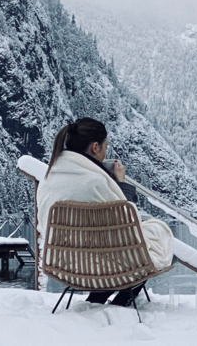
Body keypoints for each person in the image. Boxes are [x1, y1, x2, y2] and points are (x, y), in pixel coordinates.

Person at [36, 117, 174, 307]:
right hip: (103, 267)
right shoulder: (97, 183)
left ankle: (97, 299)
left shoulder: (48, 178)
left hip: (64, 264)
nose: (105, 151)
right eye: (105, 146)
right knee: (155, 238)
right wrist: (121, 184)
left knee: (108, 252)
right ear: (95, 147)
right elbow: (127, 227)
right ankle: (121, 302)